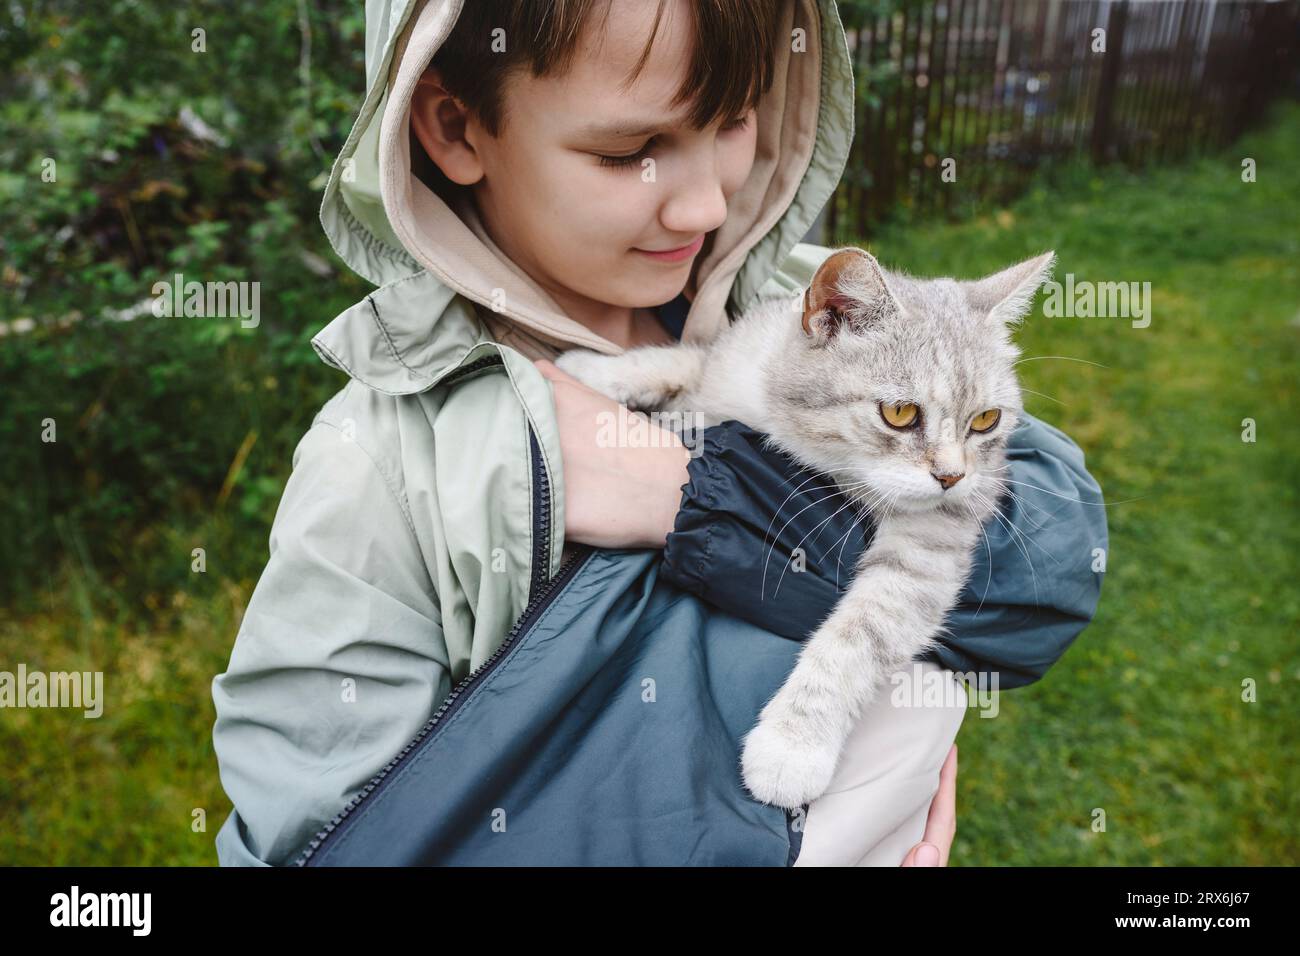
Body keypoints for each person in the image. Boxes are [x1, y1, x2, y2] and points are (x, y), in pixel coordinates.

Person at [211, 0, 1105, 867]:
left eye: (734, 120)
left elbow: (1052, 591)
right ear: (455, 125)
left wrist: (693, 496)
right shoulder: (386, 461)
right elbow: (321, 839)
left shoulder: (795, 301)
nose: (705, 207)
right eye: (631, 151)